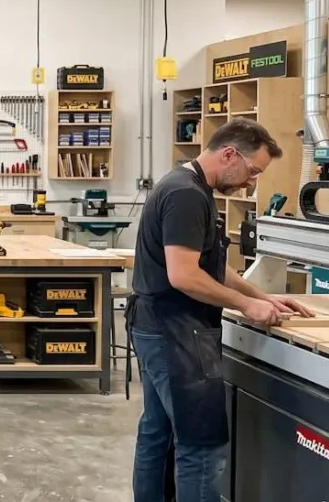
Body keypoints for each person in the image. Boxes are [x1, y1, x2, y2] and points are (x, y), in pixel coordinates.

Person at [129, 119, 313, 501]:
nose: (252, 183)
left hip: (158, 326)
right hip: (175, 332)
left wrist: (260, 296)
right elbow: (183, 276)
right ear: (230, 154)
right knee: (201, 443)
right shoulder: (186, 195)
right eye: (253, 171)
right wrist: (247, 306)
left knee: (158, 434)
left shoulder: (186, 185)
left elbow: (208, 265)